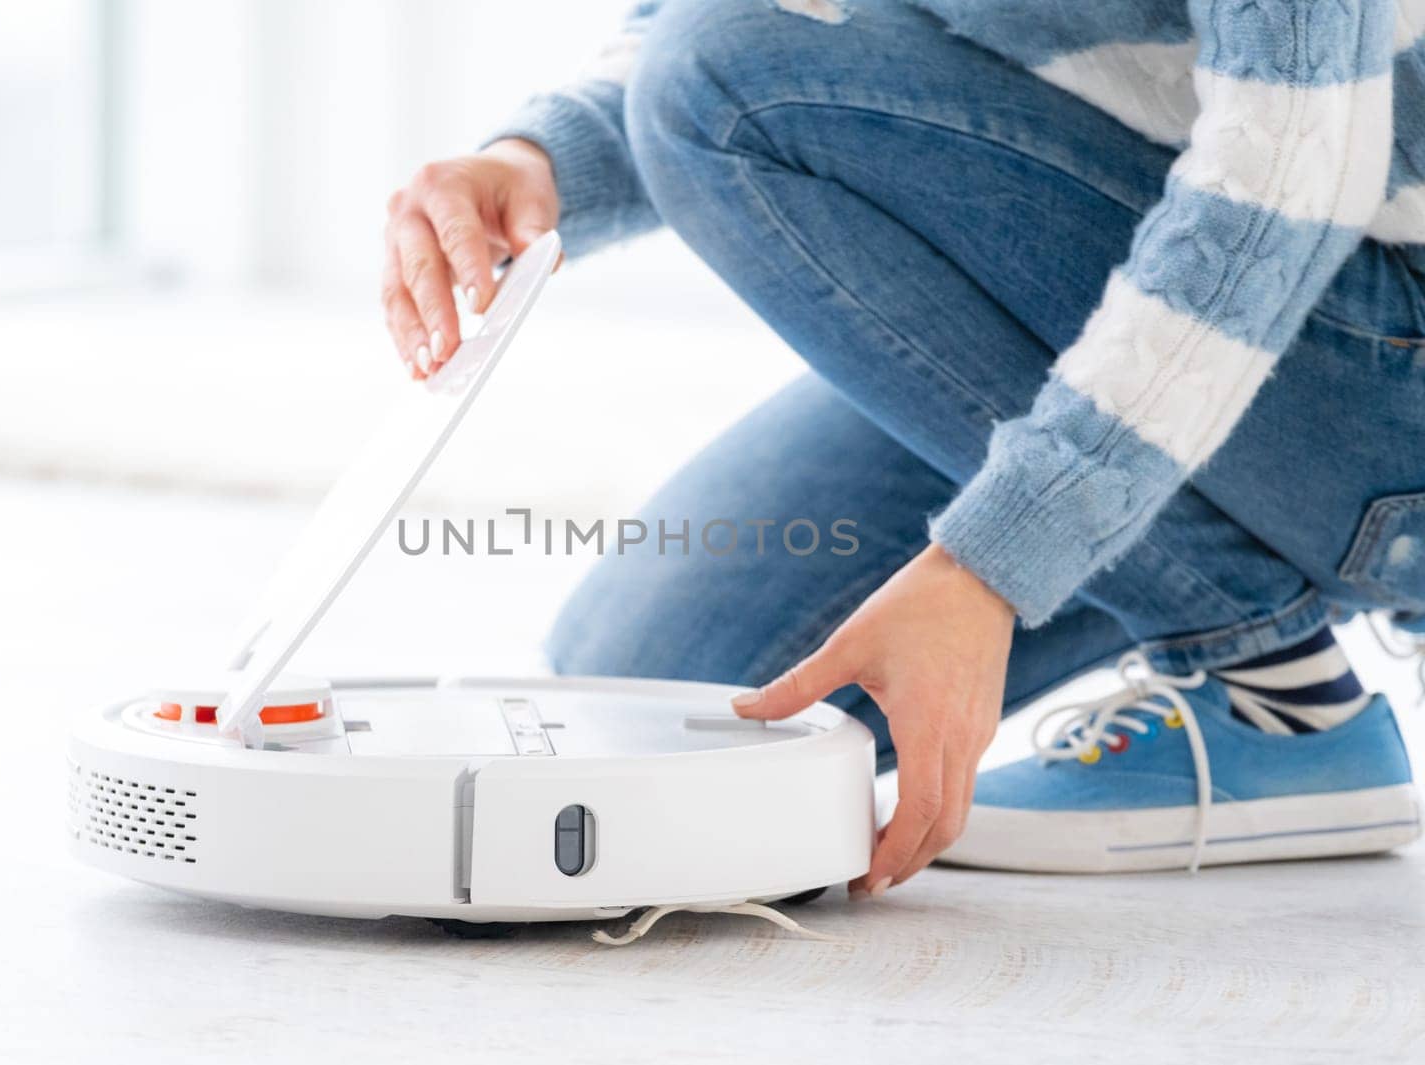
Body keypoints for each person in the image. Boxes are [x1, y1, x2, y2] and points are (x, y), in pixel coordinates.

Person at [380, 0, 1425, 895]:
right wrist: (535, 161)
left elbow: (1293, 168)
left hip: (1377, 345)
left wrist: (1001, 551)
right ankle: (1218, 561)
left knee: (720, 84)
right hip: (1131, 278)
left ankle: (1274, 692)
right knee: (661, 690)